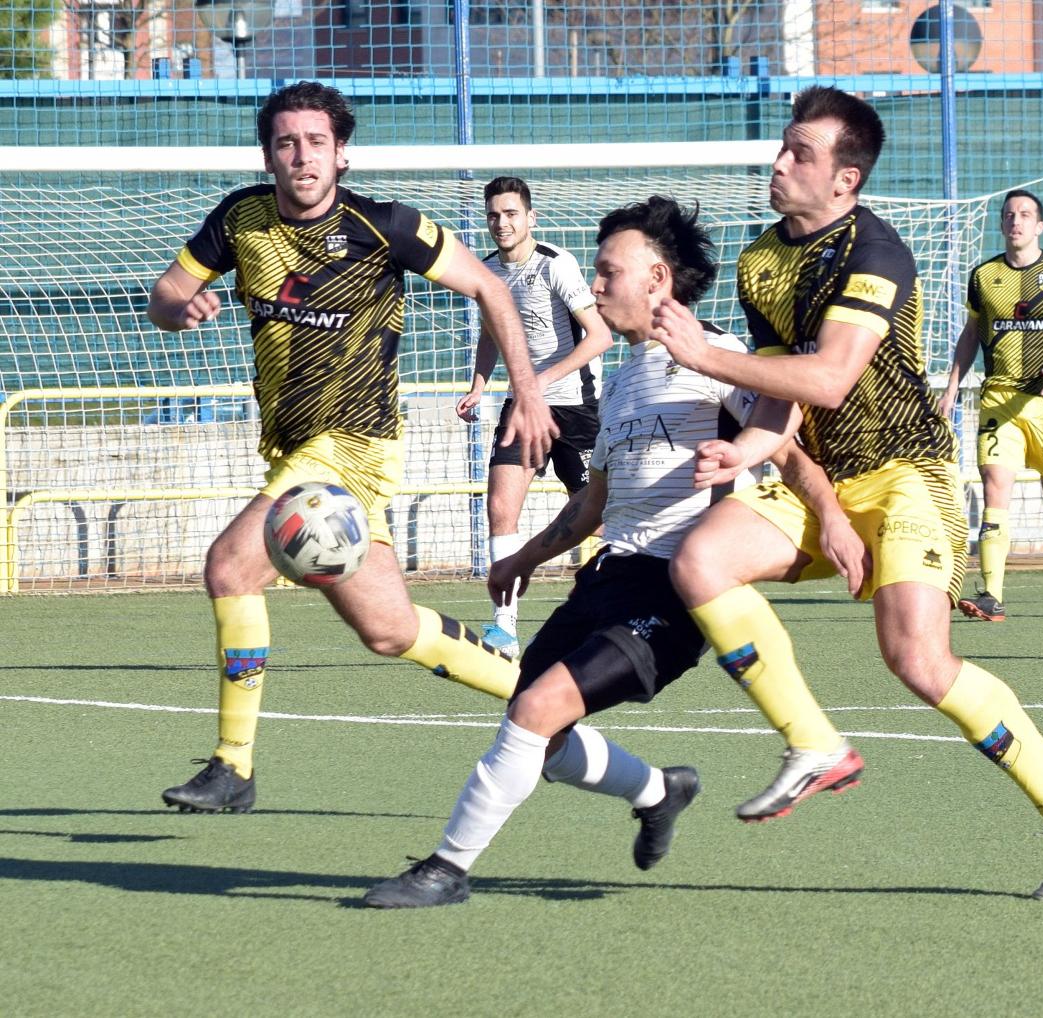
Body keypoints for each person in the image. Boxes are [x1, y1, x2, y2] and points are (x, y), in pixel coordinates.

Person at [649, 87, 1043, 901]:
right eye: (783, 147)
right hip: (819, 477)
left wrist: (702, 356)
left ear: (846, 179)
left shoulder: (878, 251)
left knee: (917, 661)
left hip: (909, 474)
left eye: (801, 152)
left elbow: (828, 377)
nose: (780, 162)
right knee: (700, 563)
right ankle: (814, 746)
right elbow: (781, 395)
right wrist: (748, 447)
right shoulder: (761, 260)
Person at [147, 81, 557, 814]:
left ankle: (232, 767)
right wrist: (182, 308)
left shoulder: (387, 226)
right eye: (285, 142)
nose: (301, 156)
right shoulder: (240, 219)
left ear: (341, 153)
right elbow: (165, 293)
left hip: (354, 444)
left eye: (315, 142)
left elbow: (491, 291)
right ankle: (540, 692)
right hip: (293, 447)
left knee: (231, 567)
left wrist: (526, 393)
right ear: (268, 153)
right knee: (391, 630)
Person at [364, 195, 776, 908]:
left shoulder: (720, 360)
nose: (597, 284)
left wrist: (811, 509)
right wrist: (521, 557)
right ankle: (659, 790)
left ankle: (445, 869)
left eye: (609, 271)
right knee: (537, 727)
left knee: (538, 710)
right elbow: (592, 506)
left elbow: (789, 442)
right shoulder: (621, 382)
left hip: (674, 592)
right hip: (609, 575)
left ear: (658, 280)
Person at [455, 176, 613, 657]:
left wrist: (540, 381)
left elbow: (600, 336)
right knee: (501, 507)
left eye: (510, 214)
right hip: (522, 408)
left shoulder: (555, 265)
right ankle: (504, 627)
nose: (501, 223)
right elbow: (490, 335)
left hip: (577, 407)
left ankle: (628, 601)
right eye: (493, 216)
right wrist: (480, 385)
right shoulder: (485, 273)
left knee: (599, 515)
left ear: (530, 217)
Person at [939, 189, 1043, 621]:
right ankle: (991, 593)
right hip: (999, 399)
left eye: (1026, 215)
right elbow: (971, 335)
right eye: (1010, 215)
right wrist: (952, 387)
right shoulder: (983, 275)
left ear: (1039, 226)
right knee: (994, 487)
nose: (1017, 221)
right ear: (1002, 224)